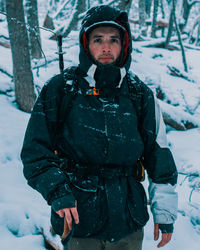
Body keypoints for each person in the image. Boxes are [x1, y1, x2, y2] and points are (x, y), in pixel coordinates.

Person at [21, 5, 178, 250]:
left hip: (129, 220)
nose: (106, 48)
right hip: (79, 219)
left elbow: (160, 155)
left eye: (114, 40)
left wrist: (165, 213)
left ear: (124, 44)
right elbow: (35, 153)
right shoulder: (62, 89)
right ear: (86, 43)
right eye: (98, 40)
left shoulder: (139, 94)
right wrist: (58, 192)